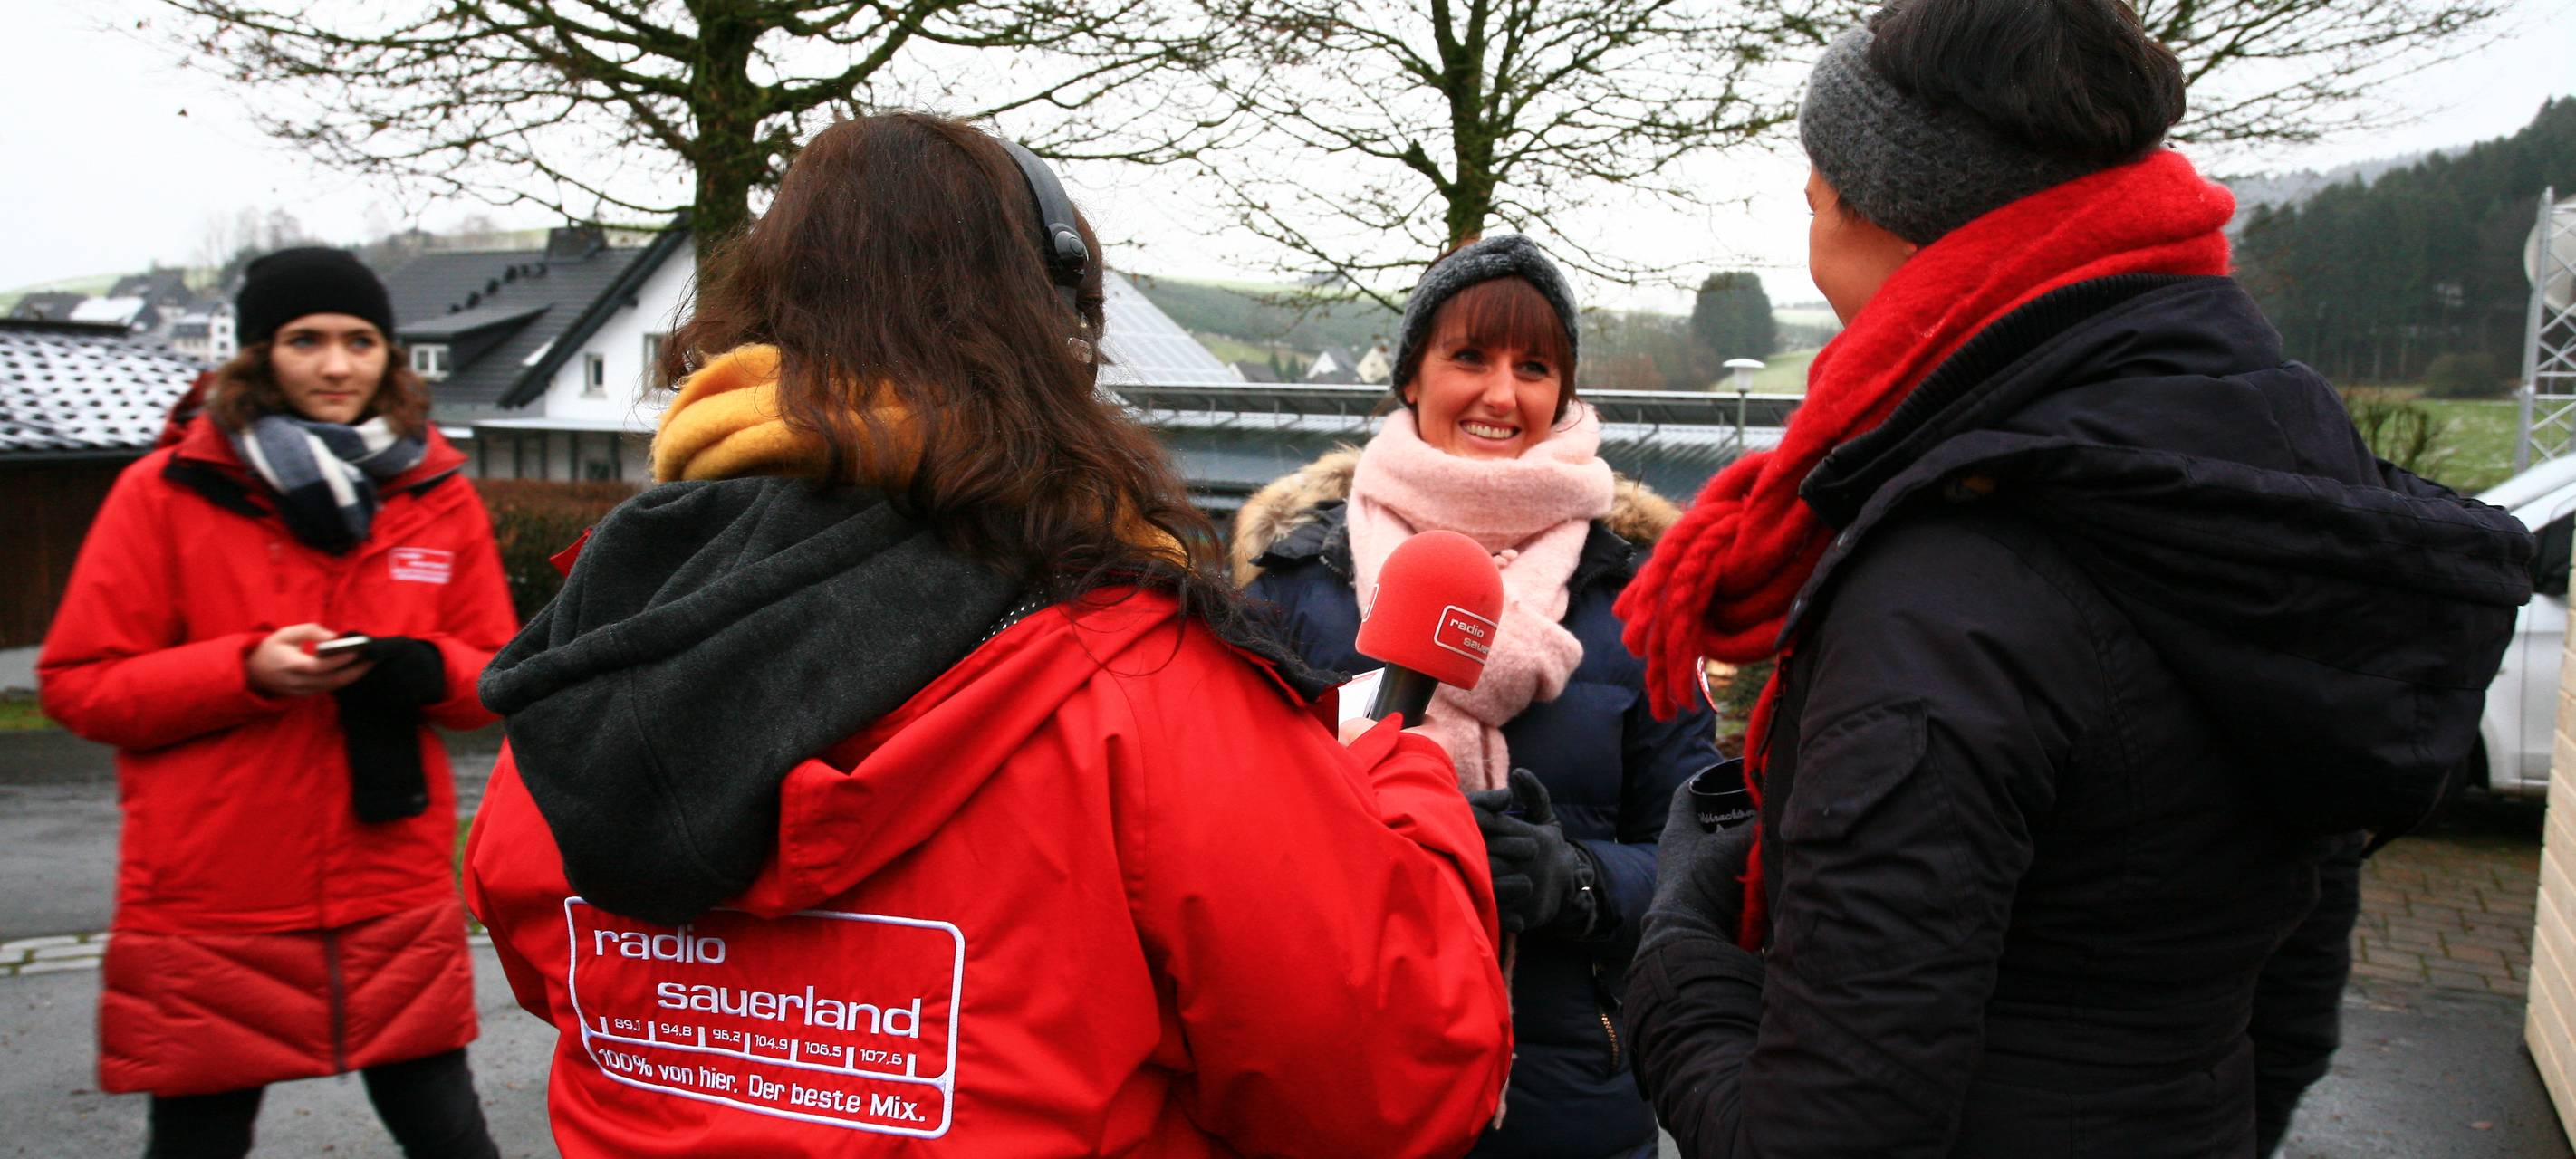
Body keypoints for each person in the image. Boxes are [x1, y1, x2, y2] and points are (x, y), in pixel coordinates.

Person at [459, 111, 1513, 1158]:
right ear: (1053, 343)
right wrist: (1408, 788)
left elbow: (533, 935)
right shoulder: (1141, 678)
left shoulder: (611, 631)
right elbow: (1395, 1086)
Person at [1610, 2, 2533, 1155]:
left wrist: (1675, 961)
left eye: (1815, 189)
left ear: (1885, 213)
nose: (1806, 206)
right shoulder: (2271, 471)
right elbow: (2296, 967)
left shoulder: (1949, 576)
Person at [1233, 234, 1720, 1159]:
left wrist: (1574, 878)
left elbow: (1705, 852)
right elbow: (1210, 831)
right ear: (1411, 376)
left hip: (1564, 1104)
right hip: (1331, 1083)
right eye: (1469, 357)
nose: (1503, 393)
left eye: (1534, 366)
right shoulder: (1294, 587)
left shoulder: (1640, 599)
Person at [39, 246, 514, 1159]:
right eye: (307, 340)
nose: (337, 365)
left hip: (388, 886)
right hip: (214, 897)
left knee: (452, 1137)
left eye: (361, 340)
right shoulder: (165, 491)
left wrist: (419, 666)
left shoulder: (435, 494)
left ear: (390, 354)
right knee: (199, 1140)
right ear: (258, 353)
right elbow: (79, 682)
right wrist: (244, 671)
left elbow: (491, 677)